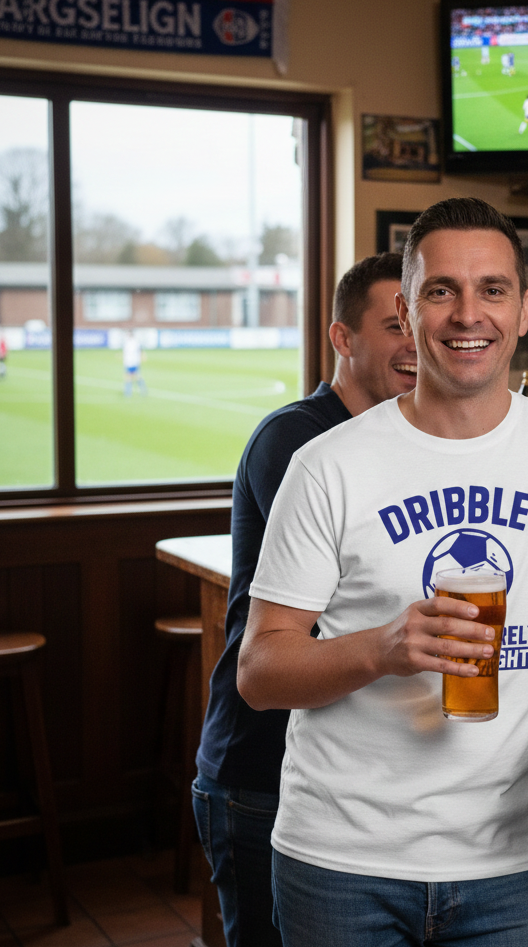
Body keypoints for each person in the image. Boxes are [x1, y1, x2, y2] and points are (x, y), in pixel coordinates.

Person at [238, 197, 528, 947]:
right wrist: (382, 647)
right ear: (406, 311)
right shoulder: (325, 464)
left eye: (492, 290)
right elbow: (262, 669)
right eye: (442, 292)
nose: (470, 315)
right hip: (341, 860)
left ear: (525, 309)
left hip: (506, 859)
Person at [193, 252, 417, 947]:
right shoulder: (295, 439)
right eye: (392, 326)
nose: (413, 342)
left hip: (350, 777)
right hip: (261, 769)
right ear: (342, 339)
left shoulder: (403, 440)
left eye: (418, 321)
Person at [122, 331, 146, 396]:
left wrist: (142, 356)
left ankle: (129, 393)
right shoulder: (128, 342)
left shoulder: (133, 342)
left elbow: (140, 350)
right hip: (130, 362)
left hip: (132, 362)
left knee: (133, 377)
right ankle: (129, 392)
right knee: (131, 377)